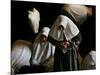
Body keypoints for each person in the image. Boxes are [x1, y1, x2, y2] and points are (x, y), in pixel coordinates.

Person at [48, 4, 92, 71]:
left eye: (63, 26)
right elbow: (50, 38)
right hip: (59, 52)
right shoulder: (56, 25)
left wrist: (69, 43)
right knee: (60, 67)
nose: (61, 29)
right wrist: (59, 44)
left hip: (70, 52)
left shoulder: (71, 25)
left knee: (70, 66)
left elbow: (79, 39)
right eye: (60, 26)